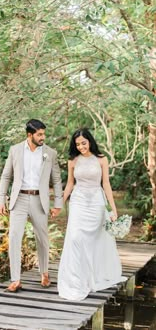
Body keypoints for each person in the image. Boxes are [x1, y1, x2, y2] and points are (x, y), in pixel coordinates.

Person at [57, 128, 126, 301]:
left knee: (94, 240)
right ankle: (75, 280)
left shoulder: (101, 159)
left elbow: (106, 185)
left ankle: (92, 276)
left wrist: (113, 209)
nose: (81, 147)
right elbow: (70, 184)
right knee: (75, 238)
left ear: (90, 141)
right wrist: (60, 202)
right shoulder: (73, 161)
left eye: (83, 143)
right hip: (78, 202)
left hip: (96, 202)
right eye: (77, 144)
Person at [0, 119, 63, 292]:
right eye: (39, 134)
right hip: (19, 199)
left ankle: (45, 273)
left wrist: (58, 203)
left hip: (39, 200)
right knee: (14, 238)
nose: (43, 137)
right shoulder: (15, 150)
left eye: (44, 134)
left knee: (42, 239)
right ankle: (16, 279)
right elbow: (6, 176)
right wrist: (1, 200)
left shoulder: (50, 153)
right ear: (30, 135)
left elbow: (56, 180)